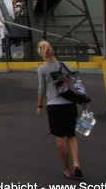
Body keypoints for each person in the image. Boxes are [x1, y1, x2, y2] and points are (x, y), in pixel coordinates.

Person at [36, 40, 83, 179]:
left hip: (53, 105)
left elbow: (42, 89)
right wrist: (82, 100)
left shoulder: (42, 69)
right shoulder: (64, 65)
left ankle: (67, 170)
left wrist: (39, 106)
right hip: (69, 104)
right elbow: (75, 81)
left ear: (41, 54)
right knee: (71, 135)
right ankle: (76, 163)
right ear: (52, 50)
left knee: (60, 137)